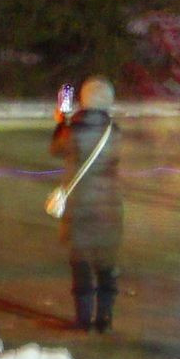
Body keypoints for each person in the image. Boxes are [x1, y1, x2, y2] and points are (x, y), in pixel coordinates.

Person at [53, 75, 125, 333]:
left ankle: (83, 320)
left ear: (83, 99)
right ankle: (104, 318)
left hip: (80, 205)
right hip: (109, 206)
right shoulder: (114, 132)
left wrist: (61, 122)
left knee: (81, 263)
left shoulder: (73, 130)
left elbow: (56, 149)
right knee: (106, 263)